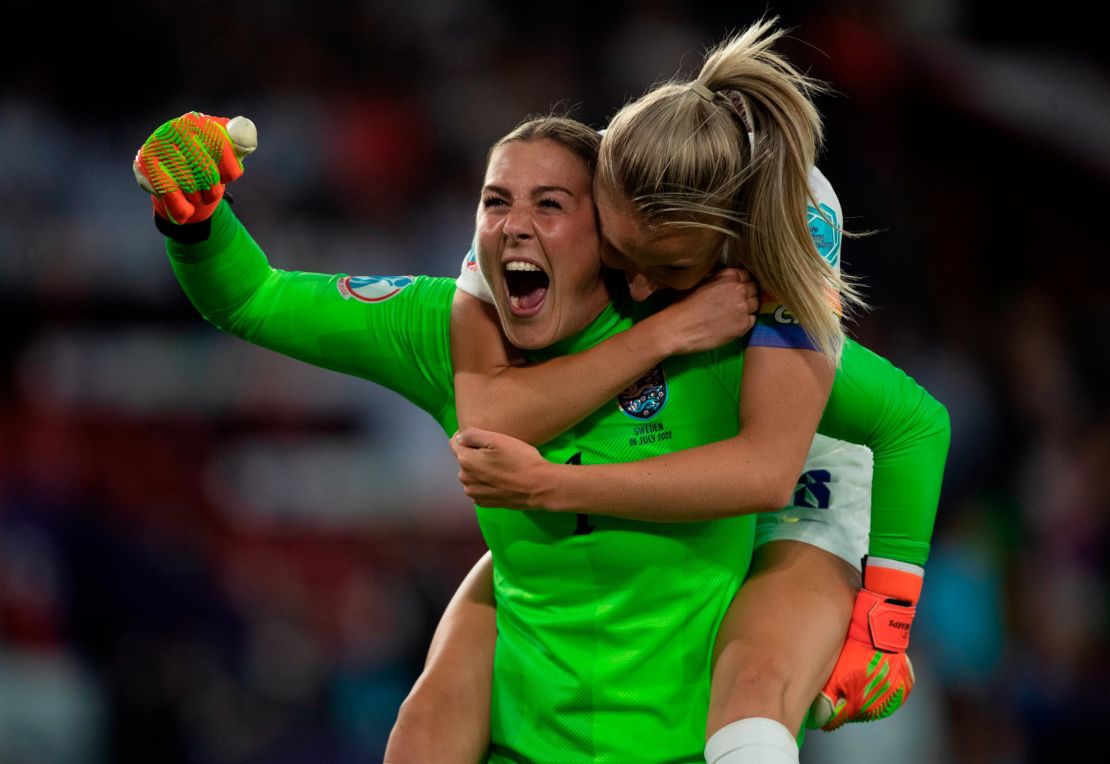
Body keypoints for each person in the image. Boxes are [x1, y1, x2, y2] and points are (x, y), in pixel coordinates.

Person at [134, 111, 947, 763]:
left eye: (550, 205)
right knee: (424, 726)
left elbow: (908, 421)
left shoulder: (727, 321)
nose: (514, 227)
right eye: (496, 201)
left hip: (702, 696)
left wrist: (889, 606)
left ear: (614, 235)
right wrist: (195, 220)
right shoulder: (440, 327)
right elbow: (254, 299)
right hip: (542, 704)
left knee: (759, 690)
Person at [395, 18, 943, 764]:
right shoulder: (563, 186)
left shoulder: (791, 226)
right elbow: (489, 411)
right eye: (618, 258)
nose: (641, 286)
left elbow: (775, 467)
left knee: (752, 695)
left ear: (728, 238)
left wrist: (885, 617)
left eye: (669, 269)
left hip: (789, 475)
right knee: (431, 711)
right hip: (649, 450)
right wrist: (663, 332)